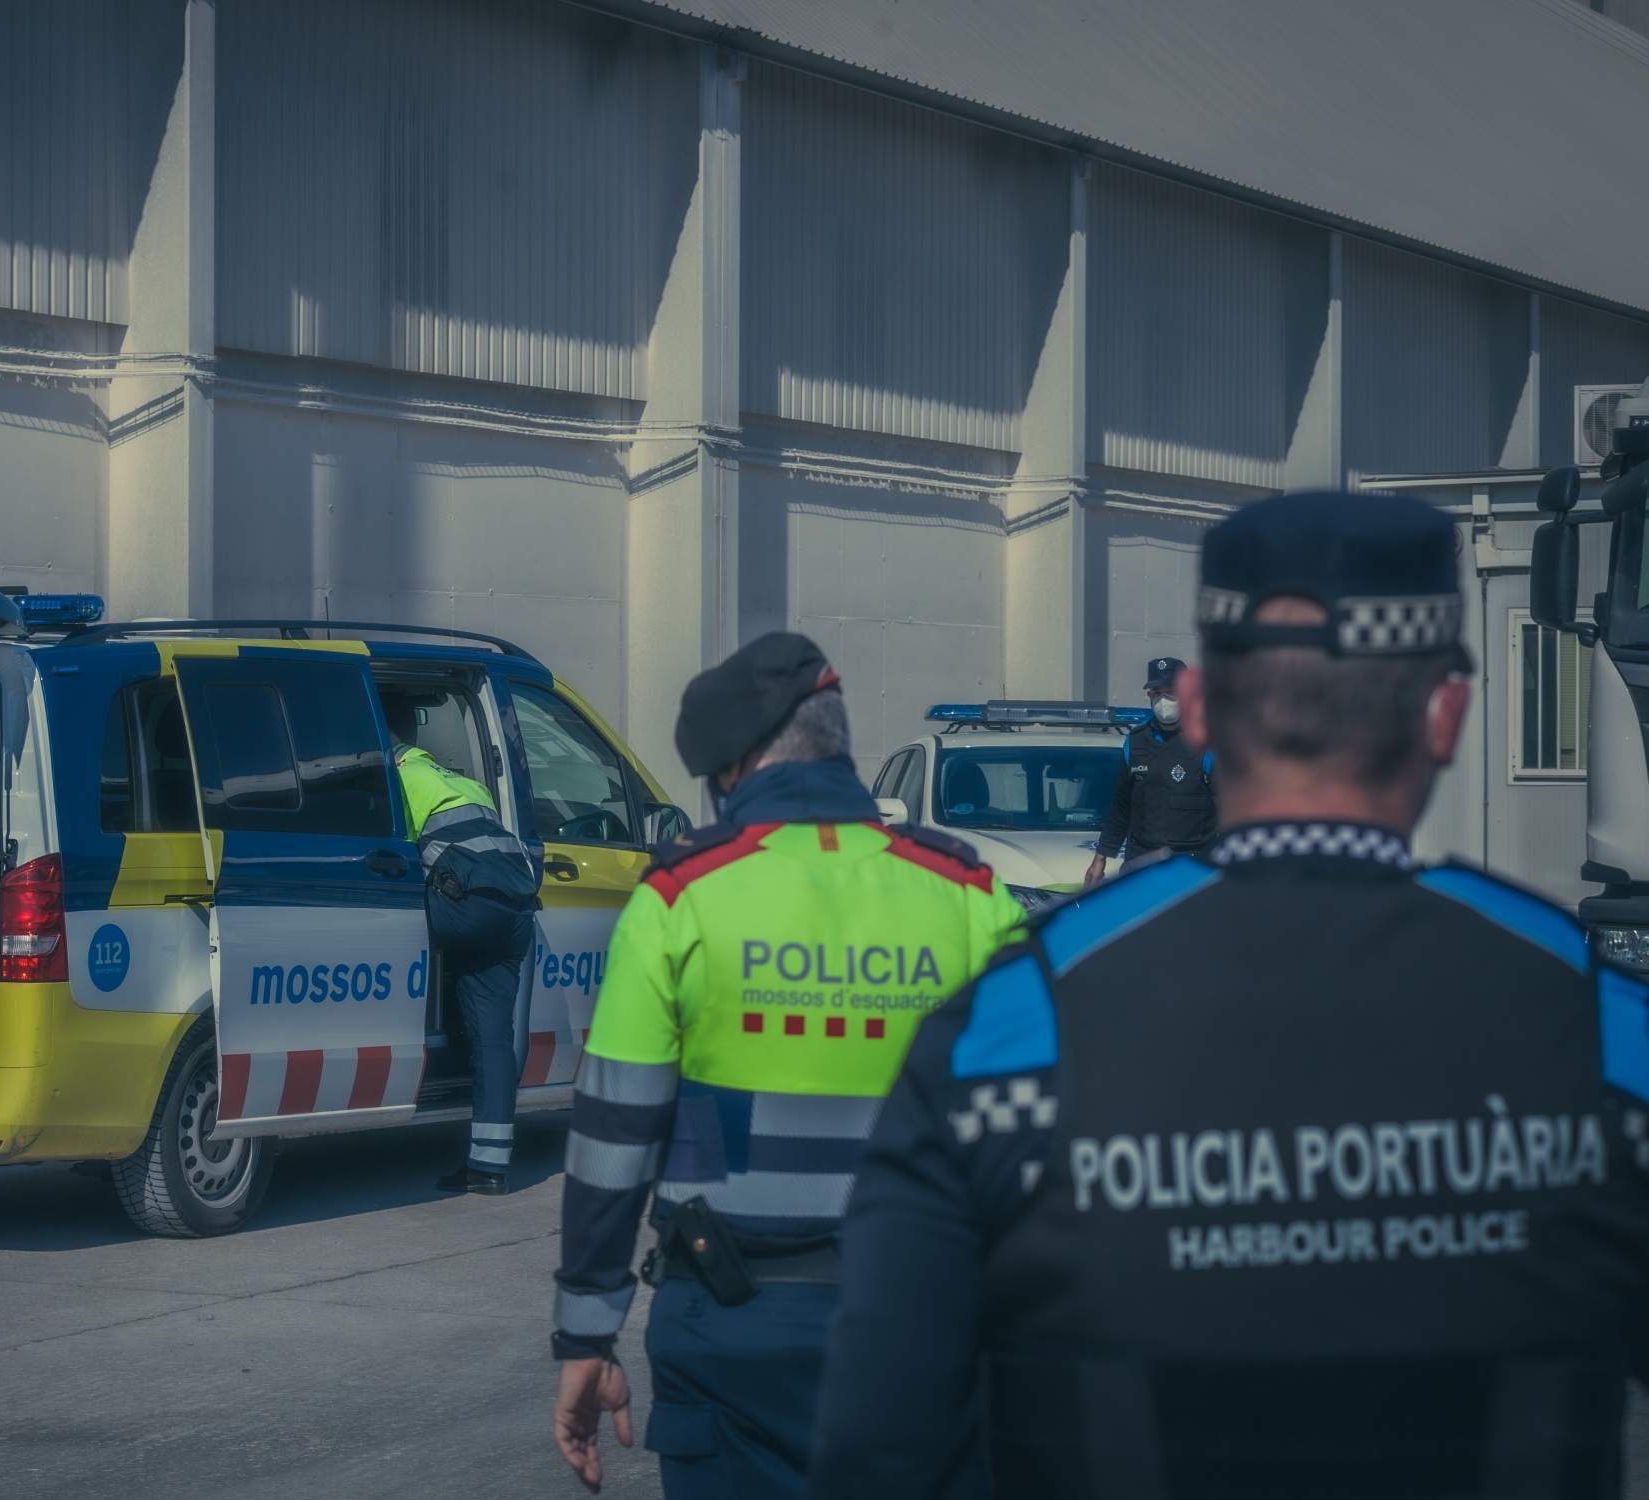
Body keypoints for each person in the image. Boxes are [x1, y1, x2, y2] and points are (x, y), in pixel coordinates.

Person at [812, 490, 1649, 1498]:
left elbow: (877, 1442)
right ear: (1446, 714)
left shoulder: (1015, 1022)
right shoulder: (1592, 1018)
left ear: (1202, 712)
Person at [551, 634, 1026, 1497]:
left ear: (733, 770)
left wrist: (587, 1336)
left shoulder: (678, 897)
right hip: (926, 1331)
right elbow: (1036, 1140)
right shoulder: (969, 894)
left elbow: (614, 1137)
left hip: (731, 1327)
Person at [385, 694, 540, 1195]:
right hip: (514, 911)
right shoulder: (463, 781)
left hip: (466, 911)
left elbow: (392, 855)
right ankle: (488, 1168)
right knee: (494, 1038)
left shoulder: (399, 781)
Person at [1083, 655, 1215, 885]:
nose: (1163, 701)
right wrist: (1101, 857)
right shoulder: (1136, 741)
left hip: (1191, 865)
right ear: (1149, 696)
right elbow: (1121, 806)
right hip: (1141, 862)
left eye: (1170, 693)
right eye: (1157, 693)